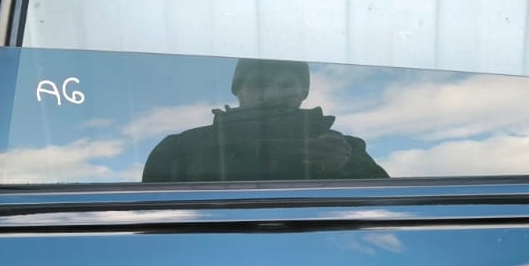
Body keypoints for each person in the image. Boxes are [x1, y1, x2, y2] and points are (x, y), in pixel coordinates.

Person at [142, 58, 388, 182]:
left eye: (286, 85)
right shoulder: (178, 148)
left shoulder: (346, 148)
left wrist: (338, 171)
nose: (271, 94)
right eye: (260, 84)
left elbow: (383, 212)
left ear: (302, 93)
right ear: (238, 90)